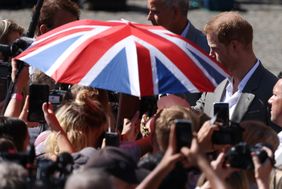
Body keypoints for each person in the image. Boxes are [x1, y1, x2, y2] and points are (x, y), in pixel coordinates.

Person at [194, 11, 280, 132]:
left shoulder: (272, 91)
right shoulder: (216, 81)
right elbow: (197, 113)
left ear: (234, 46)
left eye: (214, 49)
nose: (210, 55)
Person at [146, 0, 210, 106]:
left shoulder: (205, 51)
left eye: (155, 12)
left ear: (175, 12)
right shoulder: (147, 44)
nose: (149, 17)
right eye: (148, 11)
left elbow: (207, 106)